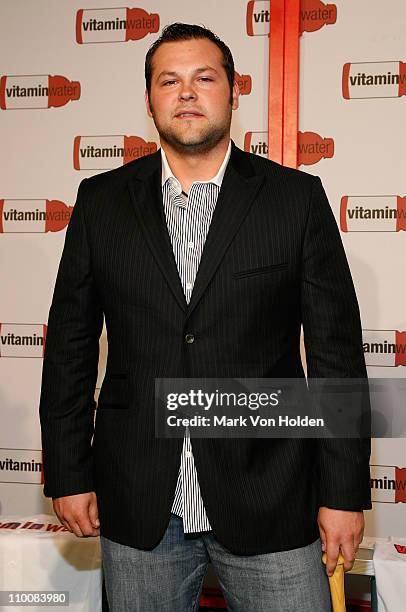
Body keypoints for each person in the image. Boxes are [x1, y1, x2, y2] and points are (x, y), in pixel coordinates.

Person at [39, 22, 371, 611]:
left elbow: (335, 353)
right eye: (169, 81)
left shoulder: (295, 200)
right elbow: (69, 348)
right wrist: (68, 473)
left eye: (203, 78)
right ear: (149, 101)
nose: (186, 93)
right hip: (140, 502)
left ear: (234, 92)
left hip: (269, 496)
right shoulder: (101, 203)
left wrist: (343, 492)